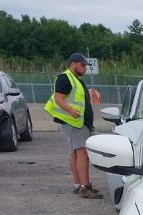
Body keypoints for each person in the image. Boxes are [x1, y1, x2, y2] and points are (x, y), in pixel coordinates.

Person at [44, 53, 103, 199]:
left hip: (78, 122)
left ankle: (79, 185)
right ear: (73, 64)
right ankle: (84, 187)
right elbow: (58, 98)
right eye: (82, 65)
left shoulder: (75, 80)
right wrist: (70, 110)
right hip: (75, 122)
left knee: (76, 152)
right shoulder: (65, 78)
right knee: (82, 152)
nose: (85, 68)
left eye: (86, 66)